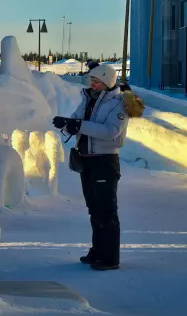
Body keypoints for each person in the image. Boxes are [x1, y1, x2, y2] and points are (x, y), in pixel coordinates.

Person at [51, 63, 136, 271]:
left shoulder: (119, 103)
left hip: (104, 161)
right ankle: (98, 251)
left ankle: (109, 258)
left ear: (107, 82)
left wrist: (80, 125)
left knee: (106, 210)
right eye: (91, 81)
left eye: (97, 81)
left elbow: (110, 131)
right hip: (87, 160)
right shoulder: (89, 99)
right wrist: (67, 123)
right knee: (94, 210)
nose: (93, 85)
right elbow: (79, 121)